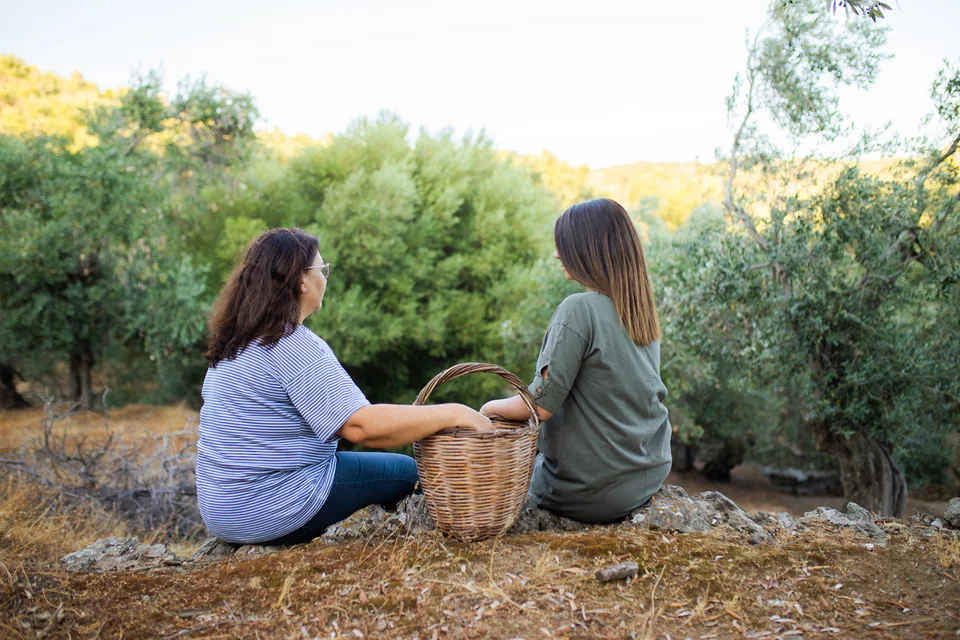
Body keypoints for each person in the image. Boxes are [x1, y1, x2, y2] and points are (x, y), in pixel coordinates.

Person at [197, 228, 492, 544]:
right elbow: (362, 428)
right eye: (321, 270)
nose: (325, 278)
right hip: (268, 508)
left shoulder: (237, 341)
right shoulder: (291, 345)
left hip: (221, 511)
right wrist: (456, 413)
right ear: (301, 280)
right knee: (409, 474)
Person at [481, 198, 671, 523]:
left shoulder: (578, 309)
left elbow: (539, 407)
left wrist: (486, 409)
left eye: (564, 245)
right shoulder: (642, 316)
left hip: (585, 493)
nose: (557, 254)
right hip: (646, 478)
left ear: (588, 250)